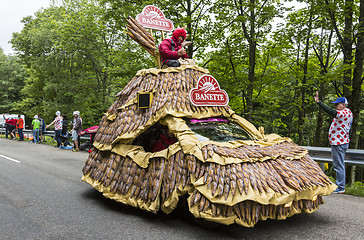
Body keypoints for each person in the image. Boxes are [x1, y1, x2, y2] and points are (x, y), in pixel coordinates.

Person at [314, 91, 353, 194]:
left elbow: (331, 111)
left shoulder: (344, 112)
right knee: (338, 164)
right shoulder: (347, 113)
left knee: (338, 165)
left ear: (343, 105)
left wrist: (319, 102)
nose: (335, 106)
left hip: (339, 143)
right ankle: (340, 186)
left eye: (337, 104)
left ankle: (340, 187)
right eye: (335, 104)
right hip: (340, 142)